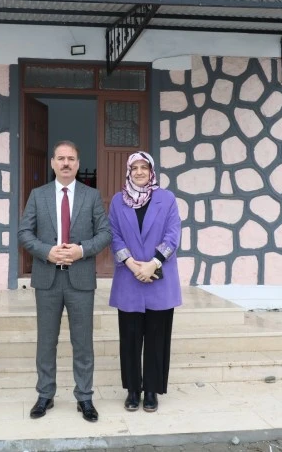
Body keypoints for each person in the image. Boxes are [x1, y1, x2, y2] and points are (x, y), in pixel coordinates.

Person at [18, 140, 112, 423]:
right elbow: (24, 233)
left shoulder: (91, 196)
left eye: (71, 158)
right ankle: (45, 394)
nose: (66, 163)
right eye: (61, 158)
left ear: (78, 163)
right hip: (47, 278)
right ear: (53, 163)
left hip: (80, 279)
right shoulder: (38, 195)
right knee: (46, 341)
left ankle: (84, 397)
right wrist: (46, 251)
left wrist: (81, 250)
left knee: (82, 342)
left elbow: (105, 233)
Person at [107, 151, 182, 413]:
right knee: (129, 339)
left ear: (151, 171)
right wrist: (131, 263)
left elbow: (173, 235)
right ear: (128, 171)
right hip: (129, 279)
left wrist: (153, 263)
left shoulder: (167, 199)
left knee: (156, 339)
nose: (139, 172)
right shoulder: (118, 201)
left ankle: (151, 390)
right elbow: (114, 234)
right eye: (134, 168)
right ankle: (132, 390)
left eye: (144, 167)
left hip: (159, 279)